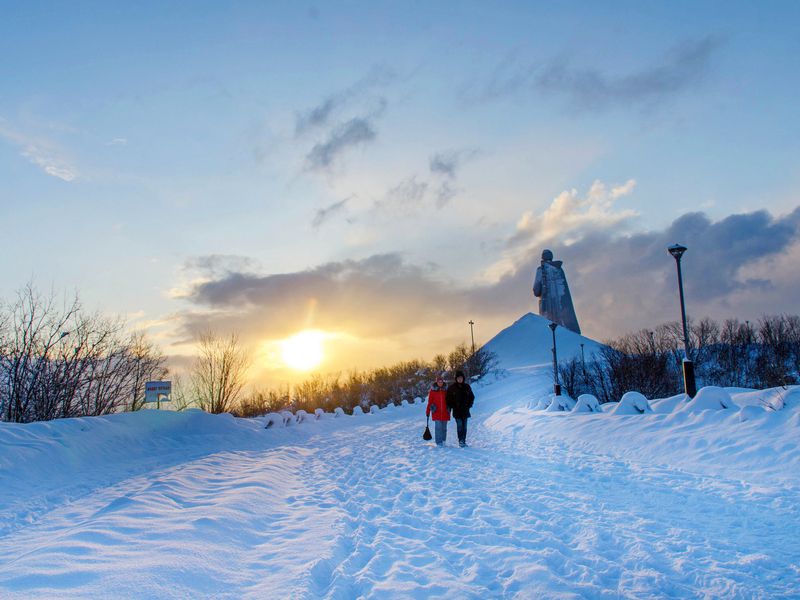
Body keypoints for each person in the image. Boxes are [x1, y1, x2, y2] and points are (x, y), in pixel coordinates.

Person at [532, 248, 581, 334]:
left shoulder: (541, 270)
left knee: (549, 329)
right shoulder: (559, 269)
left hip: (548, 308)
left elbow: (536, 290)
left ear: (542, 257)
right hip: (562, 309)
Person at [446, 370, 475, 447]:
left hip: (465, 410)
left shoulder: (467, 387)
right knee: (459, 426)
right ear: (456, 379)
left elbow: (472, 397)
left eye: (461, 378)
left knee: (464, 427)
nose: (460, 379)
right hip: (457, 411)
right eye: (458, 378)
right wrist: (453, 406)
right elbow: (448, 399)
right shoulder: (452, 388)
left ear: (463, 378)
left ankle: (463, 440)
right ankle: (460, 441)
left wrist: (469, 405)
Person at [426, 373, 450, 446]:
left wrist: (450, 407)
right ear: (436, 382)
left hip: (445, 412)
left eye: (441, 382)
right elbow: (430, 402)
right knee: (438, 428)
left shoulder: (446, 390)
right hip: (436, 411)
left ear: (443, 382)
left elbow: (450, 400)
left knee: (444, 428)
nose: (440, 383)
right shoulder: (433, 391)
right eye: (439, 382)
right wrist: (428, 411)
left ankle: (443, 441)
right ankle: (439, 442)